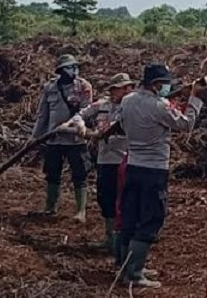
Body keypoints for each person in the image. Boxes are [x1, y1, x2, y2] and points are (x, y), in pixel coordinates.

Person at [118, 64, 204, 288]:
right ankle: (134, 275)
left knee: (130, 218)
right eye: (164, 83)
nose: (167, 87)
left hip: (133, 167)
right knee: (150, 220)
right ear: (155, 85)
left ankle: (124, 265)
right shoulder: (159, 106)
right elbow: (186, 125)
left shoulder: (127, 100)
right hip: (153, 171)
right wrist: (194, 99)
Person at [76, 73, 136, 256]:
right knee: (106, 200)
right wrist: (81, 126)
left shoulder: (132, 108)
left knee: (125, 202)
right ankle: (110, 239)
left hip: (126, 161)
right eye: (120, 88)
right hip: (105, 160)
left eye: (127, 88)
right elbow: (80, 114)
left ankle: (126, 243)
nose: (124, 91)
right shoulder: (101, 106)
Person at [32, 54, 93, 220]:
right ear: (61, 70)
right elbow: (42, 115)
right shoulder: (49, 88)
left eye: (75, 67)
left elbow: (85, 112)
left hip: (75, 139)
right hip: (54, 139)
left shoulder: (83, 87)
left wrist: (68, 127)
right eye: (69, 67)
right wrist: (35, 137)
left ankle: (81, 211)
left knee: (79, 174)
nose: (73, 70)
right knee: (52, 173)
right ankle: (50, 207)